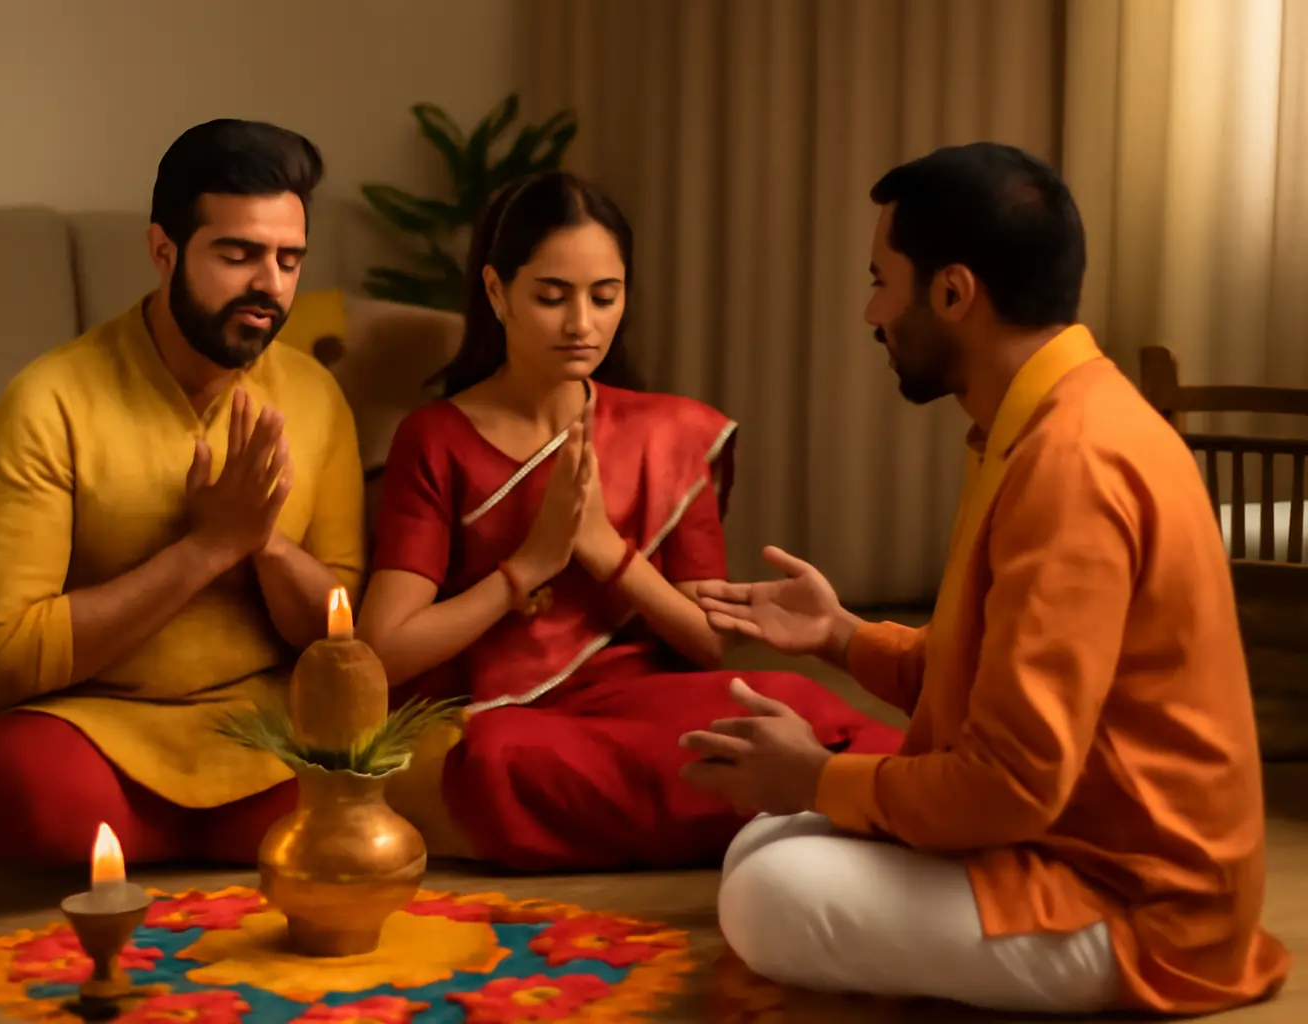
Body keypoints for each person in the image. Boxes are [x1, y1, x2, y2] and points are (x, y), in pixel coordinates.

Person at [684, 142, 1292, 1015]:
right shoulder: (1048, 417)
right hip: (1068, 838)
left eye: (879, 279)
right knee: (766, 848)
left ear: (953, 293)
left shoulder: (1074, 461)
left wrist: (816, 777)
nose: (869, 313)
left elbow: (1010, 782)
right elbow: (1000, 677)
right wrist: (843, 635)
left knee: (767, 890)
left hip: (1141, 908)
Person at [357, 170, 904, 873]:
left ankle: (916, 794)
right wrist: (530, 564)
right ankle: (827, 808)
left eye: (604, 296)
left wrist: (606, 553)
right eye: (552, 297)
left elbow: (708, 642)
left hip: (649, 696)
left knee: (784, 700)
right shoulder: (437, 439)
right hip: (524, 719)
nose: (582, 324)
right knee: (501, 764)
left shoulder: (668, 432)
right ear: (496, 292)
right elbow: (384, 648)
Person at [0, 120, 364, 868]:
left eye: (289, 259)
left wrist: (265, 543)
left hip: (259, 724)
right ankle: (235, 840)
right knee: (16, 787)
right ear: (163, 250)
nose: (270, 286)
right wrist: (206, 549)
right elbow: (4, 659)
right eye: (238, 254)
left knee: (389, 742)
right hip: (91, 724)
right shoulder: (49, 399)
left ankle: (152, 845)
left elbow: (342, 627)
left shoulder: (315, 397)